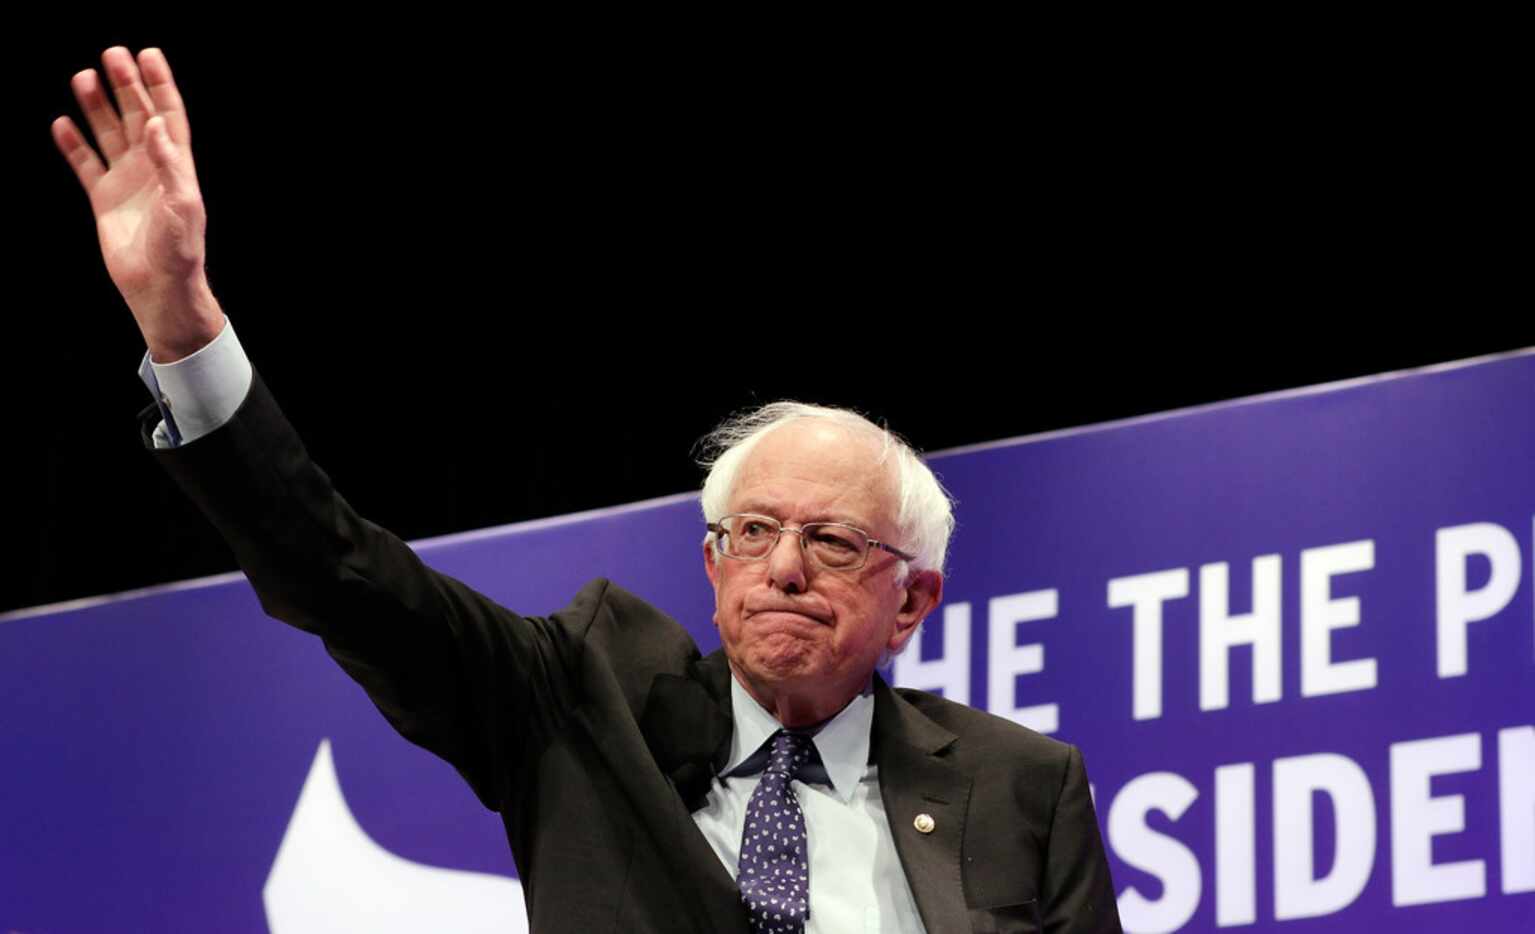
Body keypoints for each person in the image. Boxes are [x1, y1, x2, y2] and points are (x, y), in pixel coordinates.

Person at [54, 47, 1123, 933]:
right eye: (751, 532)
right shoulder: (580, 702)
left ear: (913, 599)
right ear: (711, 567)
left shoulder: (1017, 786)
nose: (784, 567)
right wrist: (184, 328)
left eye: (835, 542)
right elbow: (338, 572)